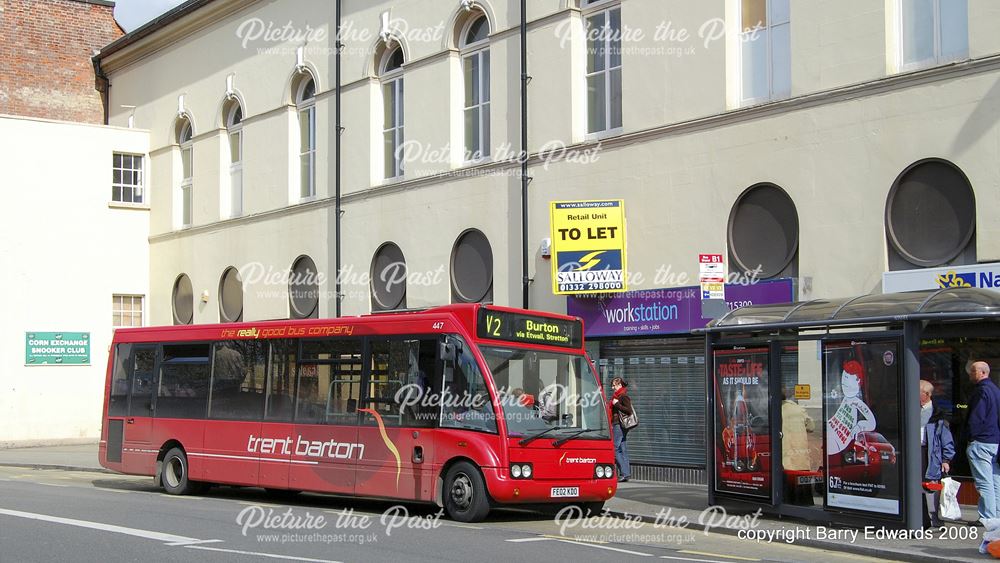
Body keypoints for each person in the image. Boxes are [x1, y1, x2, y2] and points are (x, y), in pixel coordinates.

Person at [965, 361, 1000, 524]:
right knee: (994, 480)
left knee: (984, 482)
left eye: (972, 371)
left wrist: (971, 437)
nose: (970, 374)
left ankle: (987, 517)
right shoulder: (995, 390)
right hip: (994, 441)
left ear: (981, 373)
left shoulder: (981, 392)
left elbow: (976, 418)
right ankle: (996, 515)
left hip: (981, 442)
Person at [920, 379, 955, 528]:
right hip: (915, 452)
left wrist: (946, 459)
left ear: (926, 394)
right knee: (916, 485)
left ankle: (934, 516)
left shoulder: (938, 415)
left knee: (931, 485)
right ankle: (921, 517)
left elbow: (946, 439)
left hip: (930, 454)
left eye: (918, 392)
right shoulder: (910, 409)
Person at [781, 390, 815, 505]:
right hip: (799, 452)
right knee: (800, 476)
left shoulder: (776, 409)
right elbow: (811, 426)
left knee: (787, 475)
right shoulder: (798, 409)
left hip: (784, 453)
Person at [609, 377, 633, 483]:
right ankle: (626, 474)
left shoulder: (623, 396)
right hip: (618, 424)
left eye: (614, 385)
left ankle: (623, 473)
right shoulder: (618, 396)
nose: (612, 387)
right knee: (623, 449)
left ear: (619, 385)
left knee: (614, 449)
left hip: (619, 425)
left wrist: (616, 404)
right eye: (612, 385)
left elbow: (629, 411)